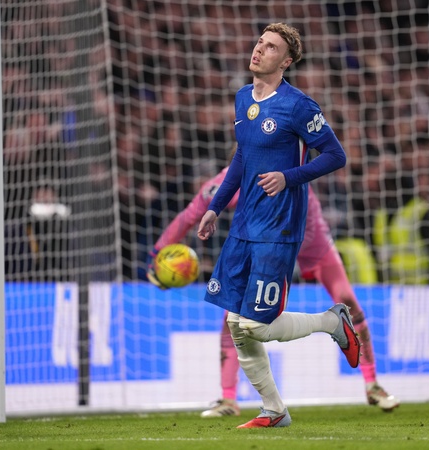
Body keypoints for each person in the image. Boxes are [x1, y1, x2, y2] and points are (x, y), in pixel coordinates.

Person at [195, 23, 361, 429]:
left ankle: (332, 322)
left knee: (256, 325)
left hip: (279, 226)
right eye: (259, 42)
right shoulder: (242, 98)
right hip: (243, 225)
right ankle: (274, 410)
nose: (259, 50)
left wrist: (289, 177)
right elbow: (242, 157)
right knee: (236, 324)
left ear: (285, 61)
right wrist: (216, 207)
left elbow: (335, 155)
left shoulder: (298, 106)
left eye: (270, 47)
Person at [147, 166, 400, 417]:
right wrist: (156, 256)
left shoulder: (291, 162)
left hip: (312, 241)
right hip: (272, 249)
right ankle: (228, 398)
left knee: (347, 301)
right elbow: (190, 216)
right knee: (233, 317)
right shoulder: (228, 180)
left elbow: (331, 157)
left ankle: (372, 384)